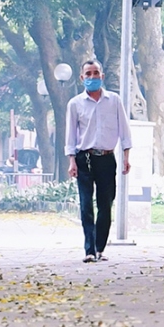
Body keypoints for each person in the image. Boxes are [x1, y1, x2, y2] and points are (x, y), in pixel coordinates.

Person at [65, 59, 132, 262]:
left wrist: (126, 156)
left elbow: (124, 130)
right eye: (88, 74)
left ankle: (99, 247)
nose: (92, 77)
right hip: (84, 158)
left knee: (105, 204)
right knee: (86, 205)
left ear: (102, 76)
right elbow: (71, 136)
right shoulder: (75, 104)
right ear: (82, 78)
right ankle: (89, 250)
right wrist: (71, 161)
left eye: (96, 73)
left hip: (107, 158)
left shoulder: (114, 100)